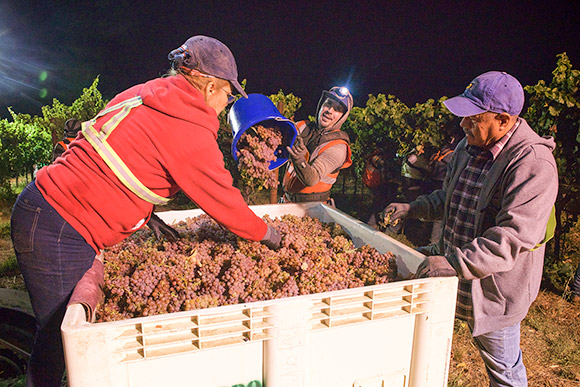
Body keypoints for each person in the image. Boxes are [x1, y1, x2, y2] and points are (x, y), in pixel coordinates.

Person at [10, 35, 282, 387]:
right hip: (59, 226)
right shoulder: (189, 125)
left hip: (47, 210)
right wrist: (269, 234)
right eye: (227, 94)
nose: (226, 103)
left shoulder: (147, 93)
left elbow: (116, 155)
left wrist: (144, 213)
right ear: (211, 85)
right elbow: (225, 202)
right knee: (58, 347)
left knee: (60, 343)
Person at [383, 71, 558, 386]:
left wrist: (451, 263)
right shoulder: (467, 147)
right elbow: (449, 198)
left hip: (494, 290)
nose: (462, 124)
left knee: (504, 370)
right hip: (452, 271)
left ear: (503, 120)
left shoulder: (532, 164)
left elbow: (511, 238)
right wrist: (413, 208)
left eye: (472, 117)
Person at [281, 86, 353, 203]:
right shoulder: (302, 126)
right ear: (321, 105)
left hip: (312, 209)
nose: (330, 110)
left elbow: (312, 179)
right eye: (328, 104)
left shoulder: (338, 147)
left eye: (337, 109)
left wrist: (300, 160)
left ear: (342, 117)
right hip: (287, 201)